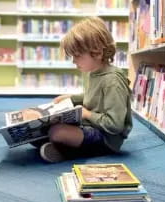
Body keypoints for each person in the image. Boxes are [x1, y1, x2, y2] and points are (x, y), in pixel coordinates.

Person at [39, 17, 132, 163]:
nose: (74, 61)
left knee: (57, 132)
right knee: (40, 123)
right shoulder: (92, 73)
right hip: (89, 126)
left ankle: (64, 151)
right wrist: (71, 98)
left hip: (107, 138)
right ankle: (56, 143)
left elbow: (115, 125)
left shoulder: (112, 81)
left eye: (77, 56)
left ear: (97, 52)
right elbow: (93, 96)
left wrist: (87, 114)